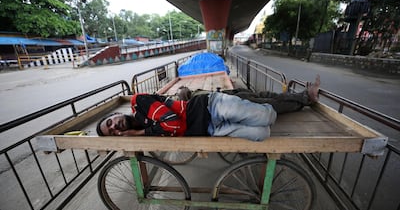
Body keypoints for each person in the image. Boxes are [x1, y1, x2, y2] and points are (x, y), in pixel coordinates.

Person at [96, 75, 320, 141]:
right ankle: (300, 100)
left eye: (110, 123)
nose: (116, 127)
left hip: (211, 107)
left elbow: (172, 123)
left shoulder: (139, 103)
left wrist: (137, 132)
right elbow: (169, 126)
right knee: (262, 132)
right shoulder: (142, 128)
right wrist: (140, 133)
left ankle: (303, 98)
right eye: (113, 132)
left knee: (266, 112)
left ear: (115, 114)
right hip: (211, 130)